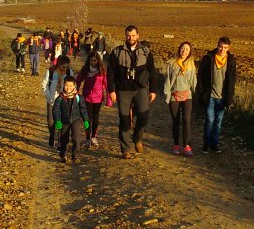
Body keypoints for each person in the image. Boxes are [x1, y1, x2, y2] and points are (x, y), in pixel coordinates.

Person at [107, 25, 158, 159]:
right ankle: (125, 149)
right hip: (123, 90)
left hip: (141, 89)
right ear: (125, 36)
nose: (131, 38)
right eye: (128, 35)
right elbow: (110, 72)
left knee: (144, 116)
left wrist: (153, 90)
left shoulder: (145, 52)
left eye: (133, 35)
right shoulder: (117, 52)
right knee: (124, 119)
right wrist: (111, 90)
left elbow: (152, 71)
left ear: (138, 36)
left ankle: (137, 138)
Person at [197, 36, 237, 154]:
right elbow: (200, 75)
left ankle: (214, 144)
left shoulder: (231, 61)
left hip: (223, 97)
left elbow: (232, 80)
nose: (222, 49)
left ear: (228, 48)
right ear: (217, 45)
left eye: (225, 47)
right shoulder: (209, 58)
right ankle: (206, 143)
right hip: (210, 95)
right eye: (220, 46)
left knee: (218, 121)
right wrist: (201, 92)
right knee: (210, 119)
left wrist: (230, 96)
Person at [163, 41, 197, 156]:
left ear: (190, 52)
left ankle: (186, 146)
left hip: (187, 96)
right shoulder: (172, 64)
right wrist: (167, 95)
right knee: (176, 121)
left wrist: (197, 93)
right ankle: (176, 145)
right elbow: (168, 81)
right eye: (182, 48)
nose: (184, 51)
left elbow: (194, 81)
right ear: (179, 49)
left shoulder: (191, 65)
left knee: (186, 120)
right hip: (174, 96)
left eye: (187, 49)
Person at [52, 76, 90, 163]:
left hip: (76, 120)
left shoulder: (78, 97)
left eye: (70, 86)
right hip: (64, 121)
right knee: (63, 139)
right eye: (66, 85)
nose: (68, 88)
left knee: (76, 138)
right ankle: (63, 155)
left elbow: (83, 109)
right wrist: (57, 121)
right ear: (63, 85)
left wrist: (86, 120)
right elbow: (56, 110)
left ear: (74, 86)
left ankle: (76, 156)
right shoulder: (60, 98)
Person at [76, 50, 110, 149]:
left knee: (96, 118)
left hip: (98, 98)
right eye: (91, 60)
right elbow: (78, 80)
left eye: (95, 60)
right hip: (87, 97)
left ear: (98, 61)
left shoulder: (101, 71)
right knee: (87, 118)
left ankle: (94, 137)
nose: (93, 62)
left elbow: (106, 84)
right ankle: (87, 137)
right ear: (89, 60)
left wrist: (109, 97)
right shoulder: (85, 70)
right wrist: (75, 92)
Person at [42, 55, 75, 148]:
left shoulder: (69, 73)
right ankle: (52, 135)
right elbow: (44, 85)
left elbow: (73, 85)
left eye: (67, 67)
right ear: (59, 64)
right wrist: (49, 95)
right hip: (52, 100)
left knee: (62, 120)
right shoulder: (51, 72)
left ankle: (61, 141)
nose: (65, 69)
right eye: (63, 67)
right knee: (51, 120)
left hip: (64, 100)